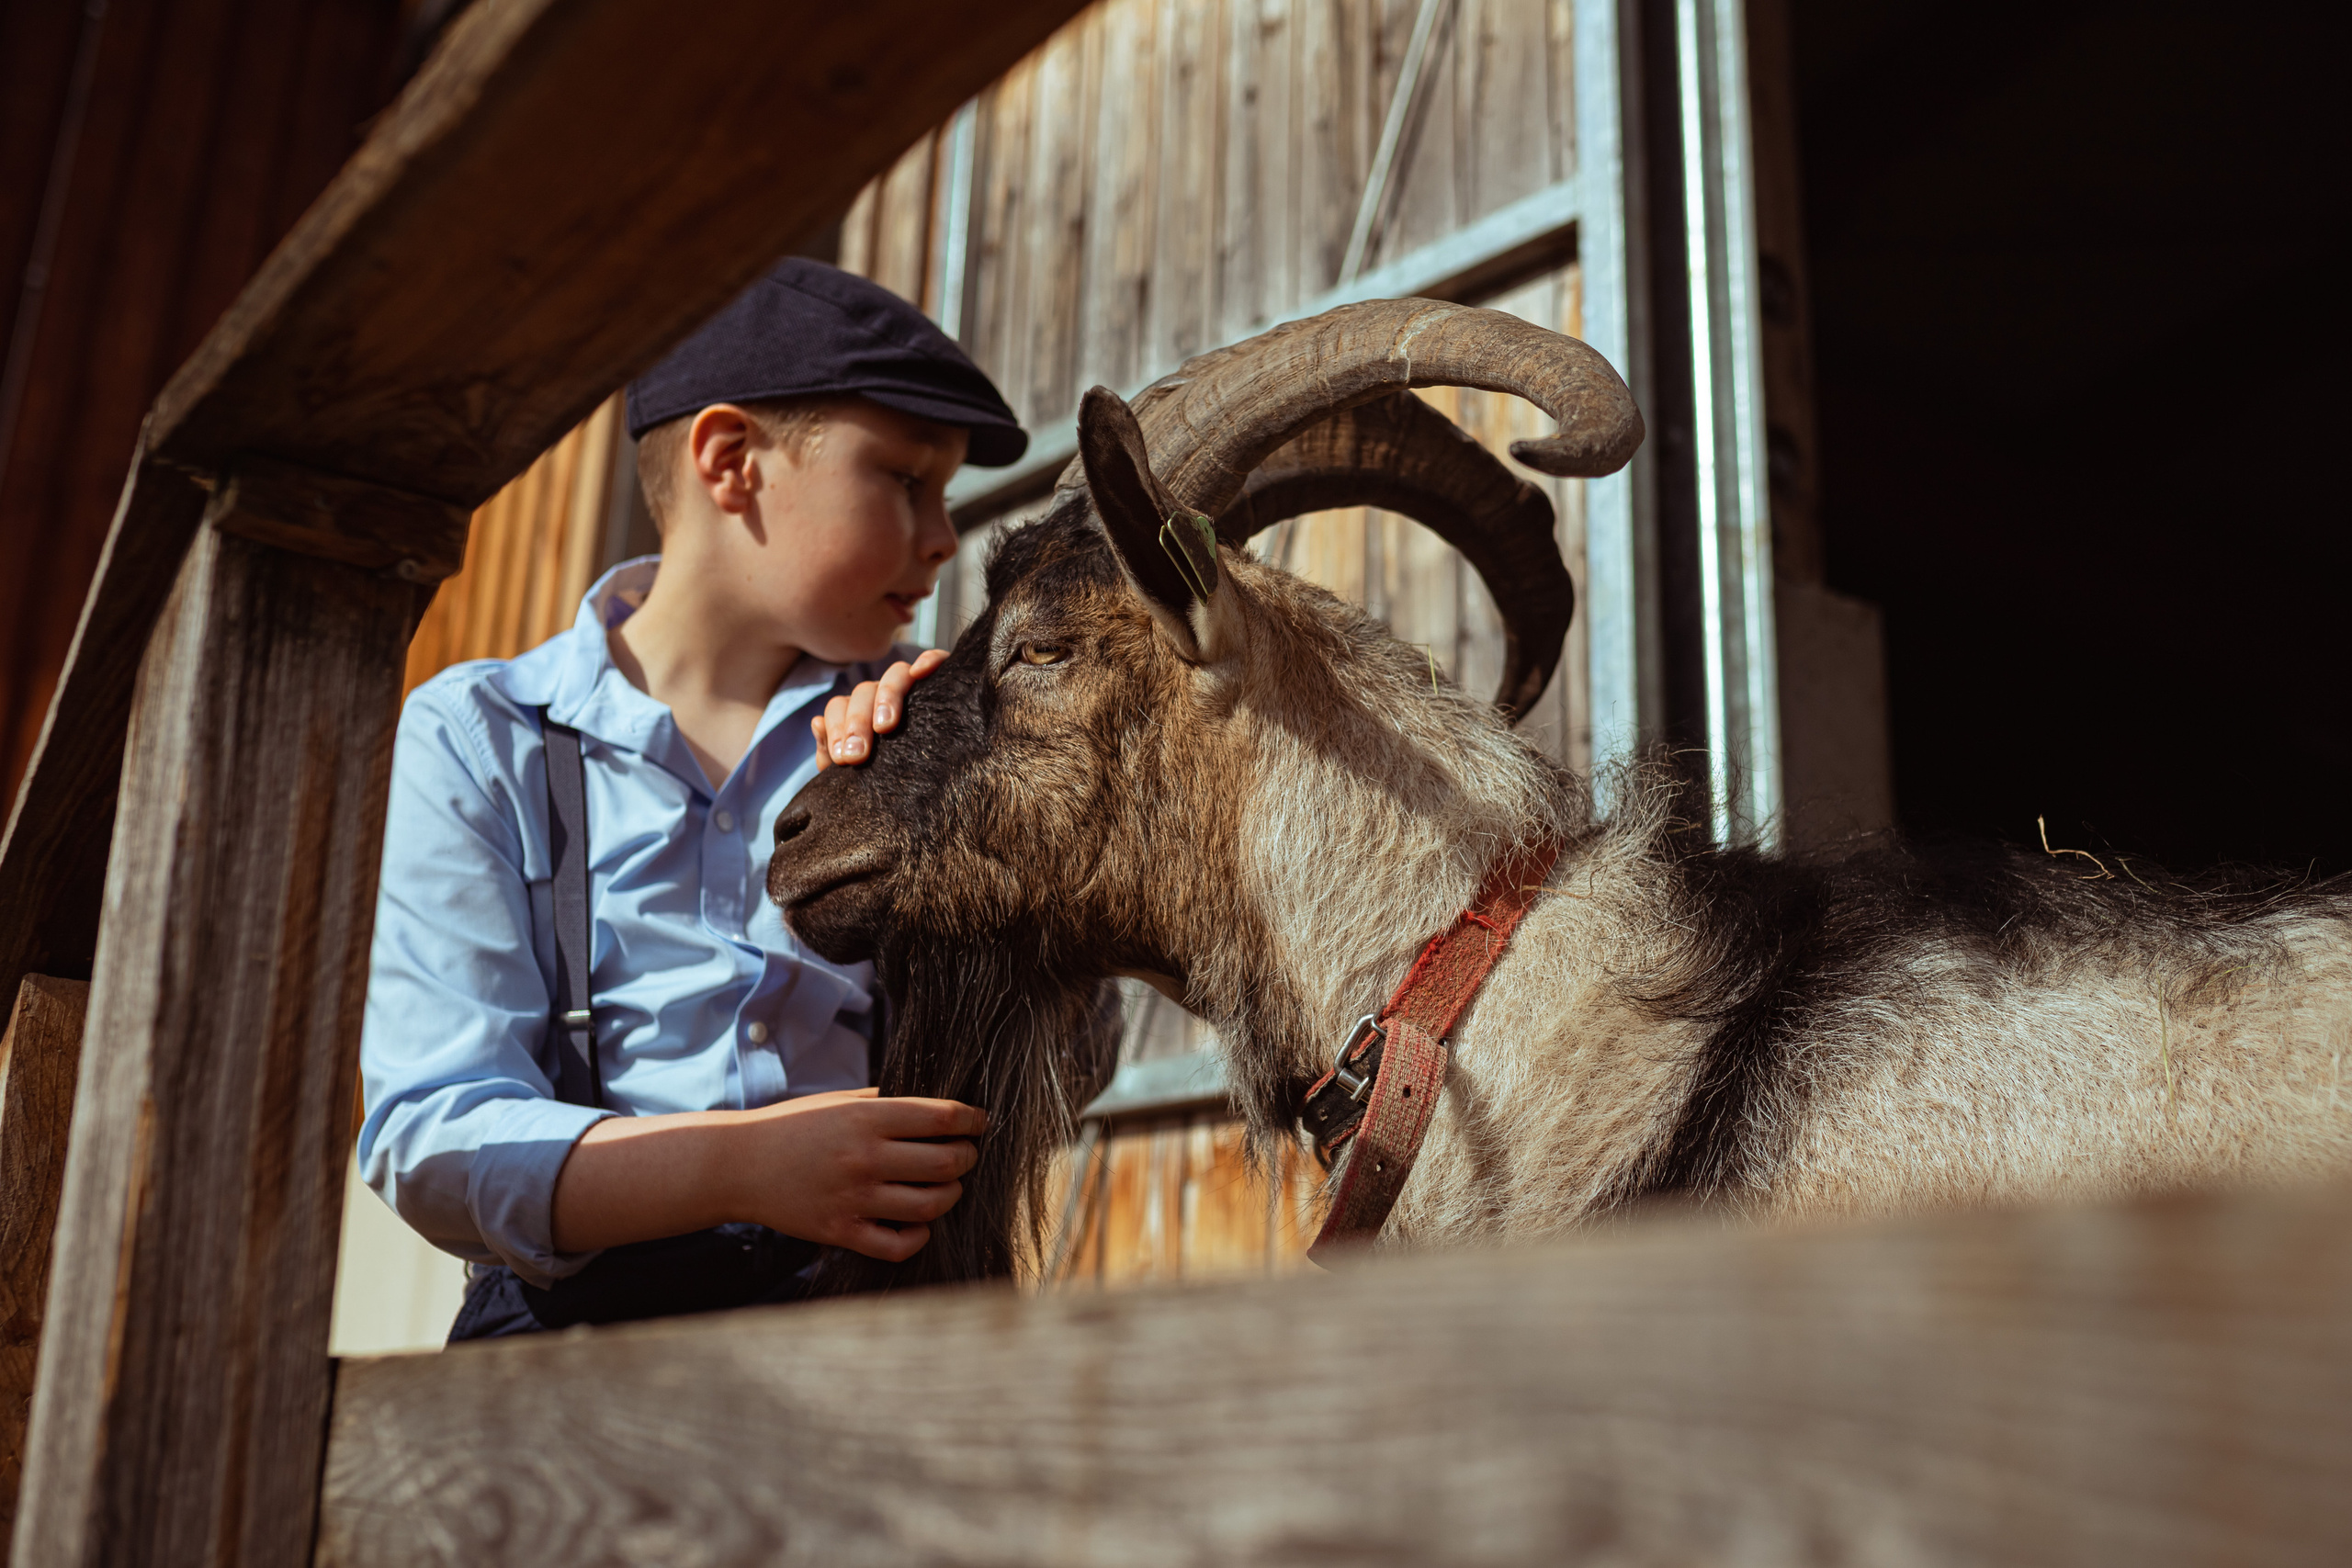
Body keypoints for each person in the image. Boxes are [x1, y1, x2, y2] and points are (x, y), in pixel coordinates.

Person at [357, 259, 1019, 1339]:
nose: (944, 533)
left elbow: (1062, 1055)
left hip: (878, 1317)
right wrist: (740, 1168)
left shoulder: (915, 725)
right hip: (574, 1340)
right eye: (906, 479)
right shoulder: (482, 735)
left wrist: (982, 810)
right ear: (731, 463)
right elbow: (433, 1136)